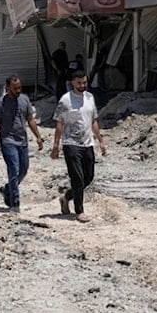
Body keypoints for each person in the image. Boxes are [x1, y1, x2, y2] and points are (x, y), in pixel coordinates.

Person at [51, 70, 106, 222]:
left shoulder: (90, 97)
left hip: (88, 143)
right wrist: (56, 146)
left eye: (84, 83)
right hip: (71, 143)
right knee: (78, 178)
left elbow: (93, 120)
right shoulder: (65, 100)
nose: (82, 85)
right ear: (73, 82)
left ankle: (66, 197)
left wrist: (100, 140)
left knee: (88, 177)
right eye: (79, 83)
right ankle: (79, 211)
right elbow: (60, 123)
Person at [0, 75, 44, 212]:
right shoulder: (0, 103)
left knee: (24, 169)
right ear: (7, 88)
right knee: (13, 169)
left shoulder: (25, 100)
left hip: (22, 141)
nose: (18, 90)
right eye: (15, 88)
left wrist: (38, 136)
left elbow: (30, 119)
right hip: (8, 140)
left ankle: (8, 188)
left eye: (19, 87)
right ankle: (15, 202)